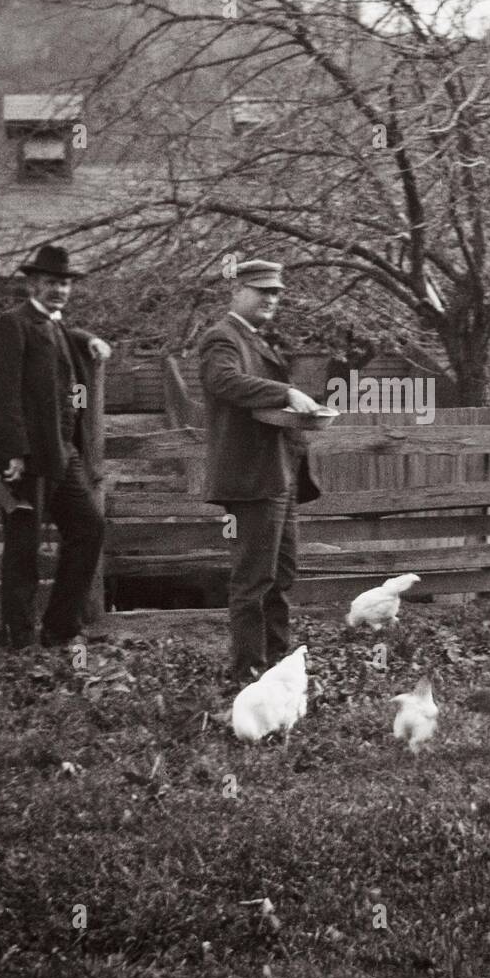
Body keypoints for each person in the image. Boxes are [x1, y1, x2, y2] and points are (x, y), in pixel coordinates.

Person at [198, 260, 322, 682]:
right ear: (236, 292)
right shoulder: (222, 338)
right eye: (260, 290)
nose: (270, 298)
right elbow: (225, 382)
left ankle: (277, 668)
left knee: (281, 576)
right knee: (252, 581)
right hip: (250, 480)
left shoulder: (256, 340)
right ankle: (246, 672)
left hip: (278, 475)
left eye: (276, 292)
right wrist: (286, 390)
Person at [0, 244, 112, 648]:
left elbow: (61, 337)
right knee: (23, 552)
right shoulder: (13, 324)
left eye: (64, 283)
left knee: (89, 528)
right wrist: (12, 454)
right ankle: (18, 639)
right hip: (28, 459)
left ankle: (60, 627)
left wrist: (89, 337)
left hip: (64, 453)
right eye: (51, 282)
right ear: (33, 283)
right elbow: (2, 395)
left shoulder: (57, 327)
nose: (59, 290)